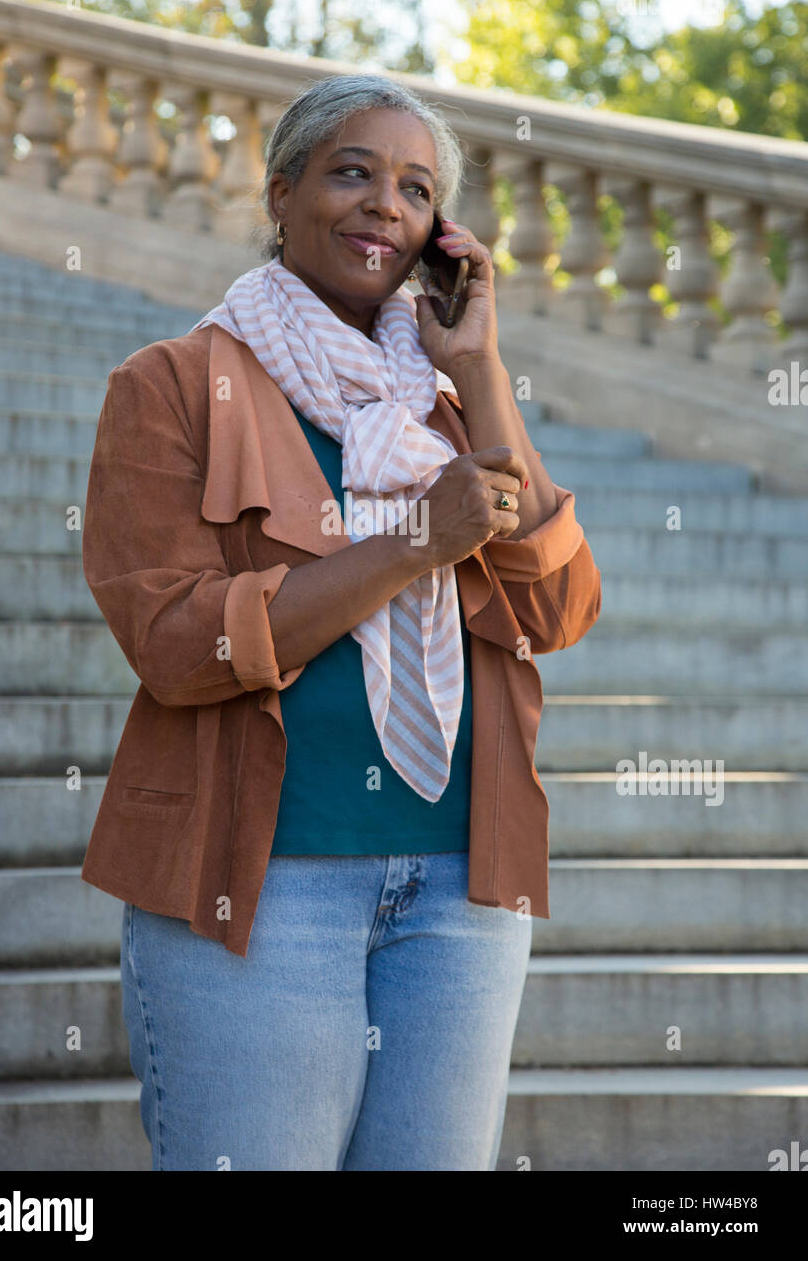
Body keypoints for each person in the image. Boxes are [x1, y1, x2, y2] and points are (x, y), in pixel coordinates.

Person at [80, 73, 602, 1171]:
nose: (382, 204)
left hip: (459, 891)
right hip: (257, 888)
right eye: (351, 173)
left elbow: (555, 606)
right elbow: (178, 643)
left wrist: (481, 370)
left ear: (434, 237)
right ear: (280, 192)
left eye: (414, 190)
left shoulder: (449, 408)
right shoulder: (172, 385)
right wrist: (413, 542)